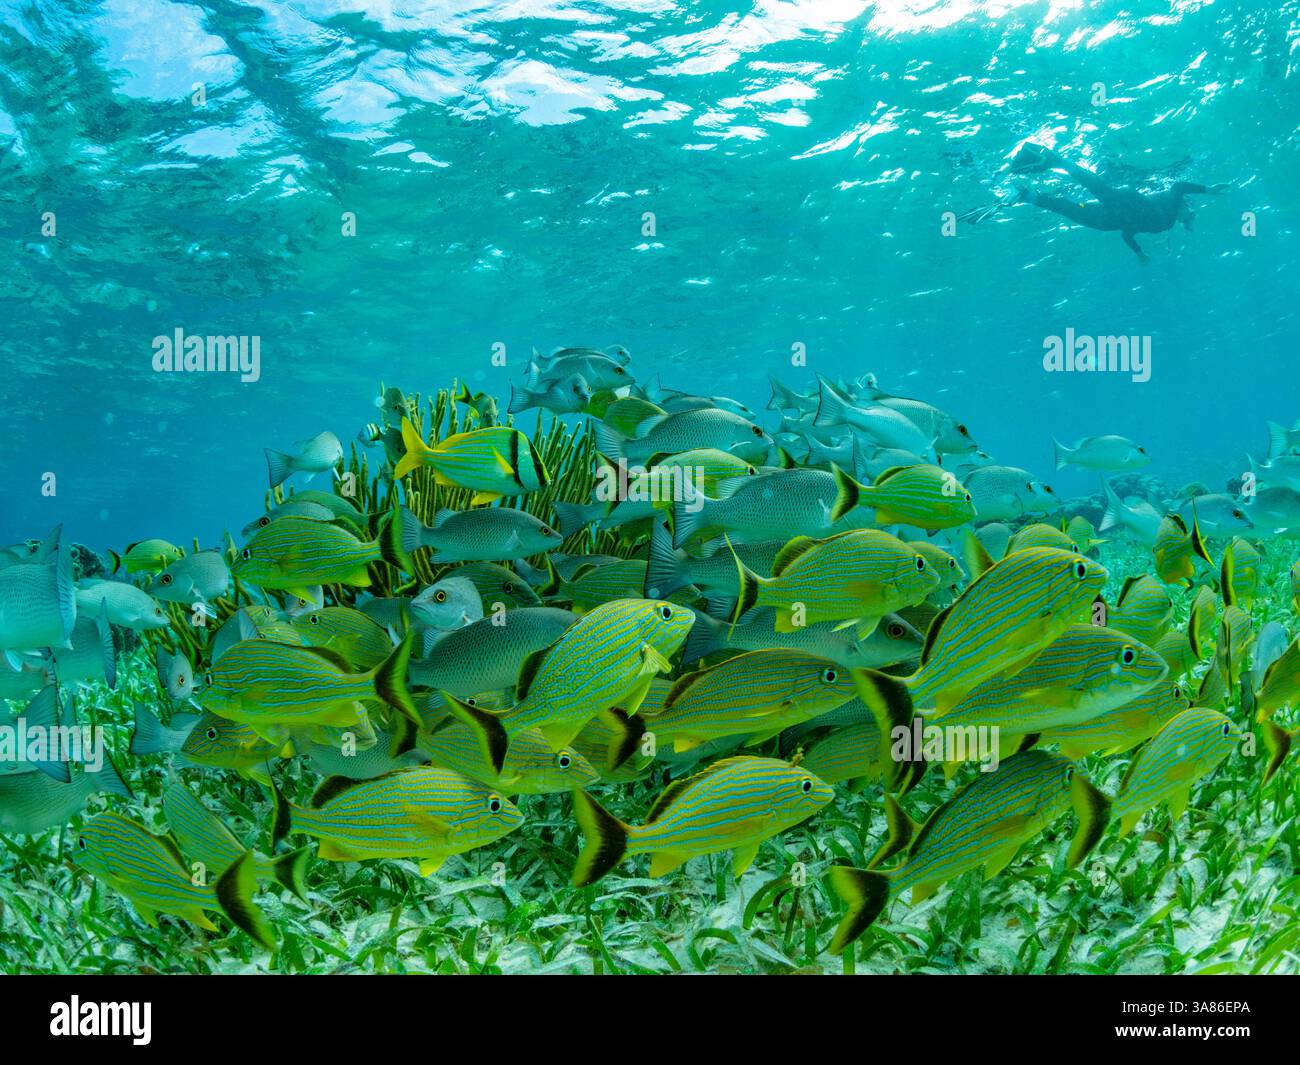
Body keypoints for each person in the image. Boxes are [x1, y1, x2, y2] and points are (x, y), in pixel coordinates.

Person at [960, 143, 1227, 262]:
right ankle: (1051, 160)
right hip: (1125, 204)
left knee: (1073, 209)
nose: (1191, 211)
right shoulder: (1172, 204)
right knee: (1092, 186)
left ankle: (1028, 195)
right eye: (1190, 208)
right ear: (1185, 206)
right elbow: (1179, 186)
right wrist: (1209, 189)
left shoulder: (1167, 223)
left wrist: (1139, 253)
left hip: (1113, 218)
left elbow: (1128, 234)